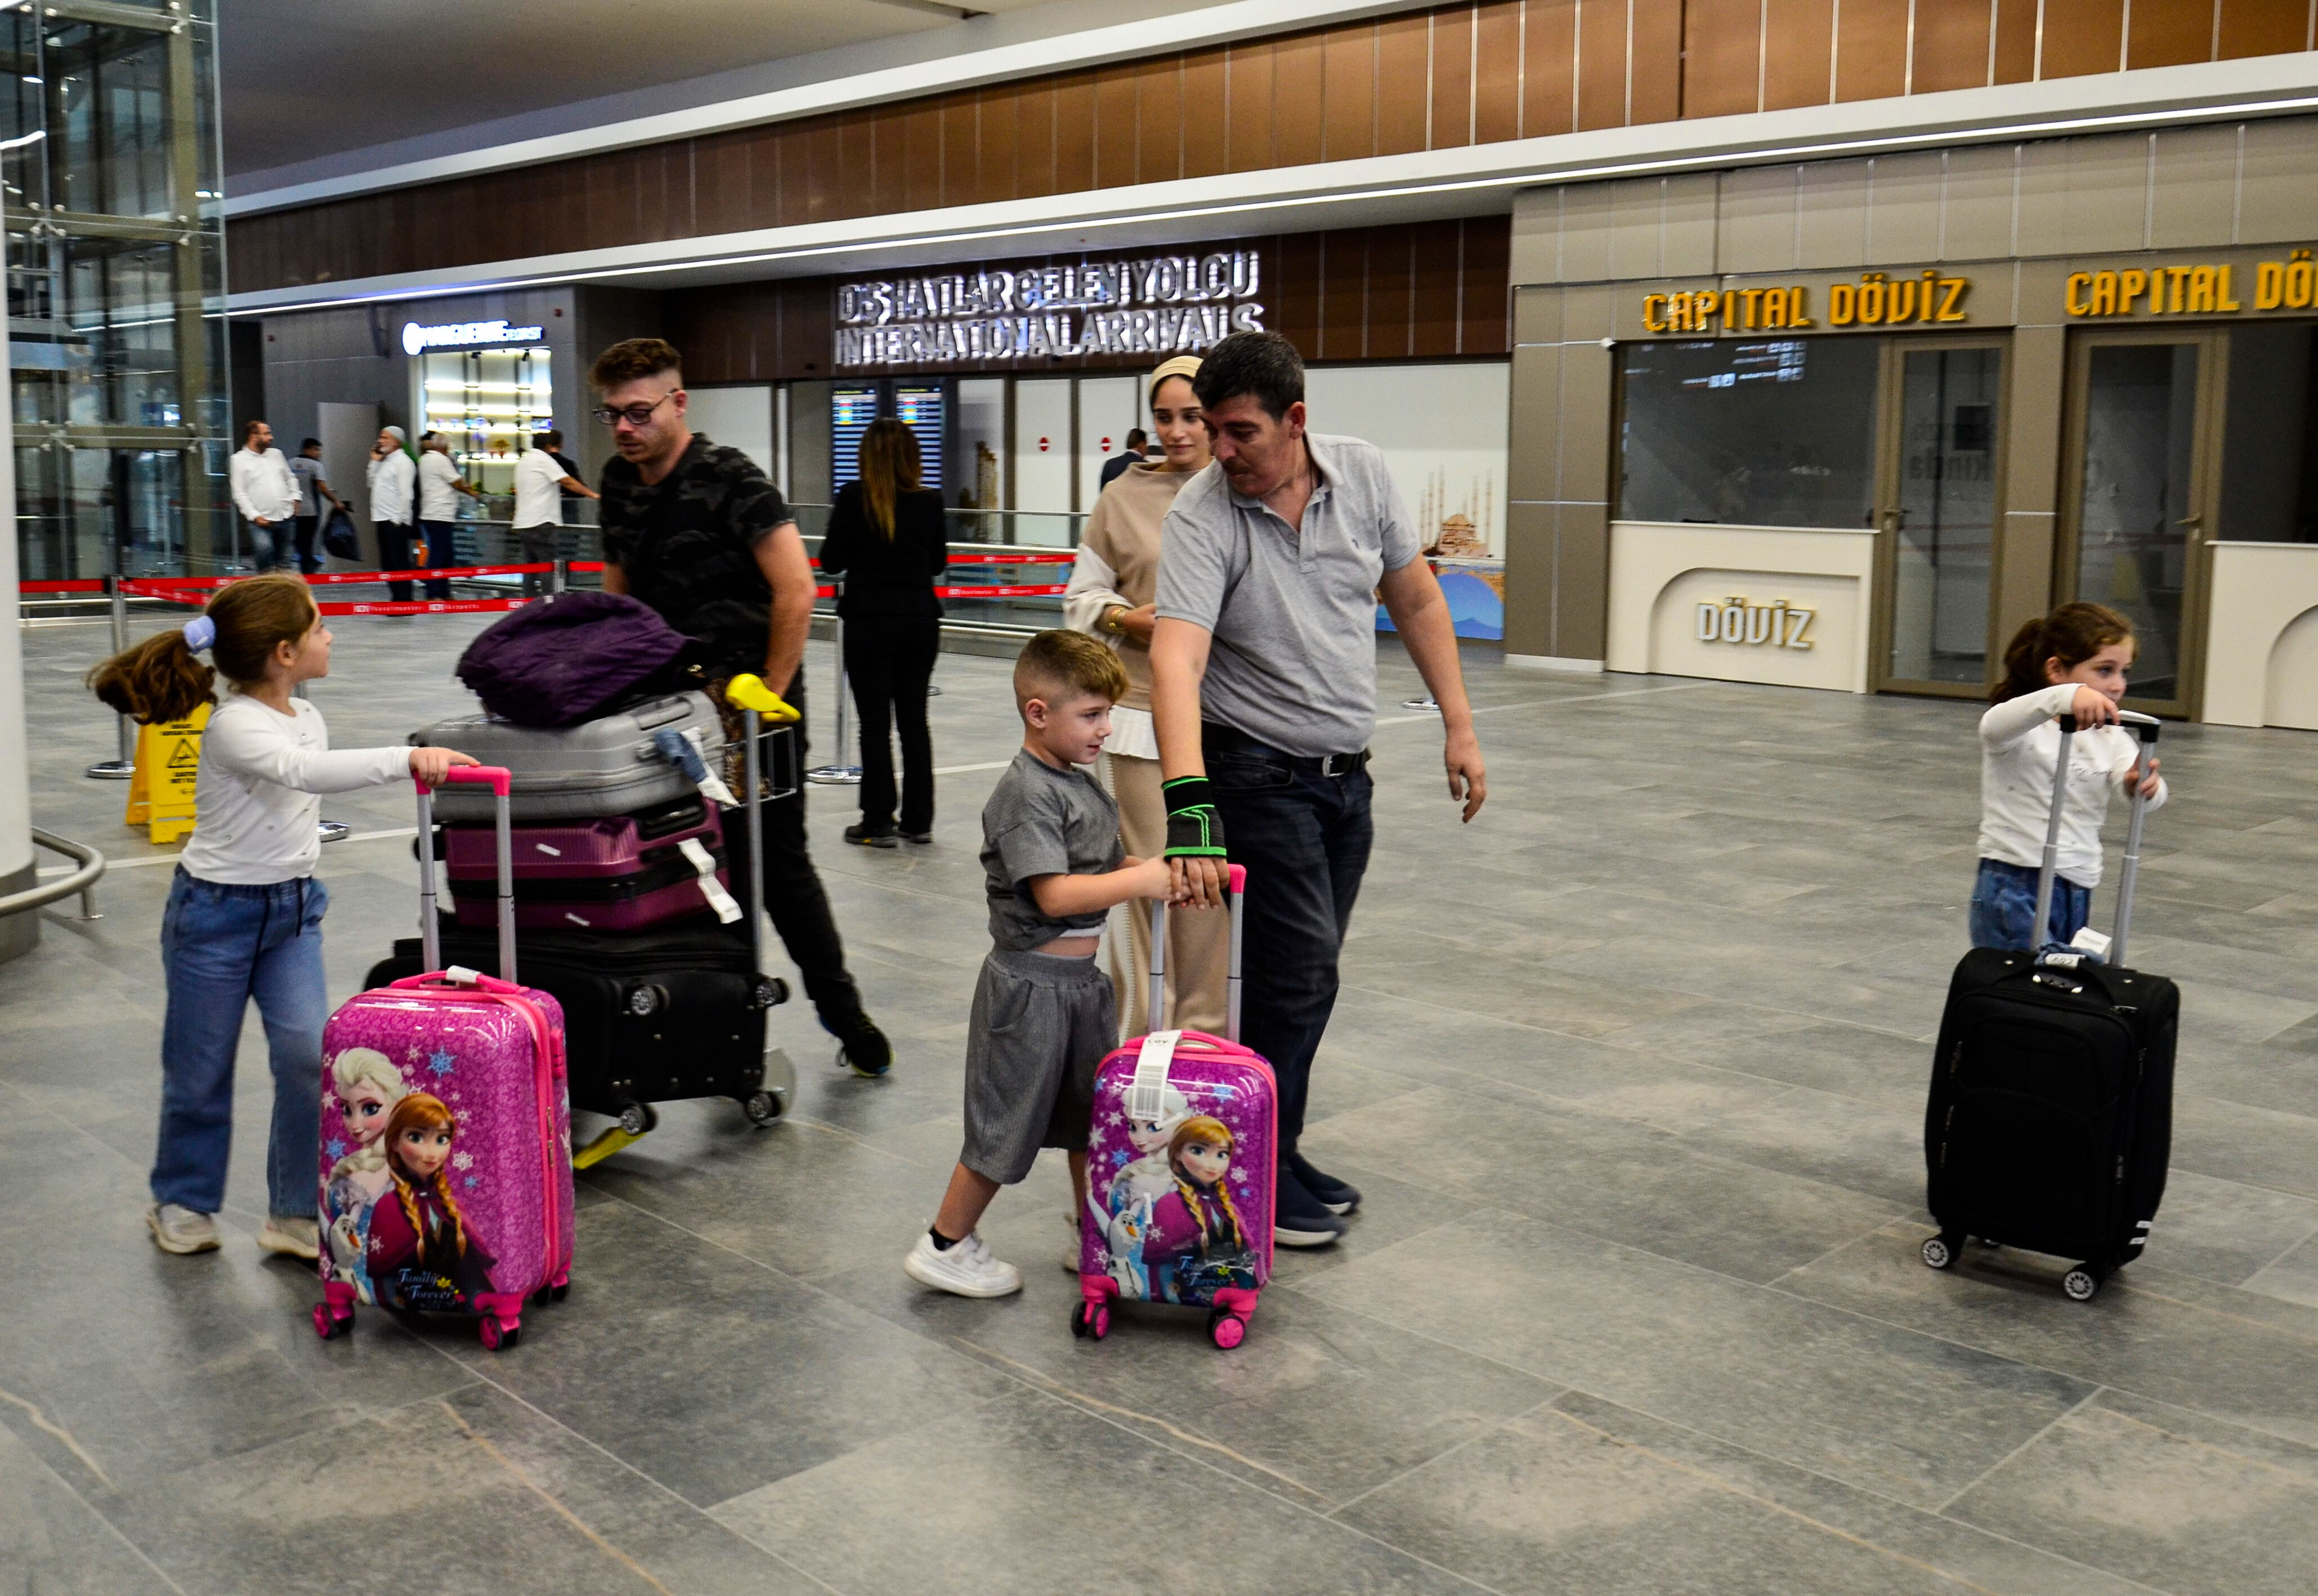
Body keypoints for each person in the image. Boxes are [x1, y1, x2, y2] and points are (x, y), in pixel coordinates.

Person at [1151, 330, 1487, 1248]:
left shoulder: (1364, 476)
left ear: (1295, 421)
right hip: (1254, 772)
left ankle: (1273, 1148)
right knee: (1297, 979)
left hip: (1345, 781)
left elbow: (1414, 597)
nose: (1220, 450)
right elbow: (1174, 658)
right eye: (1210, 432)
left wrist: (1457, 723)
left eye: (1238, 431)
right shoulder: (1201, 512)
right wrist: (1187, 802)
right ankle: (1253, 1174)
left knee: (1299, 981)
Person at [84, 573, 478, 1259]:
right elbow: (304, 774)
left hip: (293, 912)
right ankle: (182, 1198)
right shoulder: (236, 724)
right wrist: (406, 758)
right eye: (320, 626)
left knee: (305, 1059)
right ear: (284, 653)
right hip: (215, 915)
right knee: (199, 1068)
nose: (331, 634)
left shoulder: (304, 714)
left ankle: (292, 1211)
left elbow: (308, 765)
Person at [590, 337, 892, 1078]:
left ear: (677, 402)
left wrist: (767, 693)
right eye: (612, 416)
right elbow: (618, 588)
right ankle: (714, 1025)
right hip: (665, 712)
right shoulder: (618, 482)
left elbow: (796, 589)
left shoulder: (732, 478)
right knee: (684, 862)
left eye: (639, 413)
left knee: (774, 866)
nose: (626, 429)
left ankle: (841, 1010)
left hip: (753, 706)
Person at [901, 630, 1175, 1298]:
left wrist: (1153, 870)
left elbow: (1100, 868)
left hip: (1079, 986)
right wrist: (1141, 883)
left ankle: (1099, 1234)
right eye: (1090, 715)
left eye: (1108, 713)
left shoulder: (1078, 785)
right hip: (1029, 989)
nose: (1105, 729)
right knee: (1007, 1125)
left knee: (1091, 1116)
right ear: (1037, 713)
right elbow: (1055, 893)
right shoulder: (1026, 794)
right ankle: (945, 1243)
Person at [1065, 355, 1229, 1038]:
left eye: (1191, 415)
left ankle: (1211, 1039)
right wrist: (1122, 619)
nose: (1177, 430)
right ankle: (1148, 1044)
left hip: (1236, 721)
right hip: (1140, 718)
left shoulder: (1241, 488)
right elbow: (1080, 596)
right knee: (1156, 880)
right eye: (1164, 416)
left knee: (1219, 886)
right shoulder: (1122, 497)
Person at [1972, 602, 2167, 951]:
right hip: (2015, 880)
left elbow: (2136, 783)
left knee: (2059, 988)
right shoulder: (2024, 728)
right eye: (2105, 671)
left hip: (2076, 885)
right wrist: (2067, 696)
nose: (2118, 685)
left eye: (2124, 672)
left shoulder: (2111, 737)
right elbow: (1994, 725)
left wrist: (2143, 787)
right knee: (2021, 986)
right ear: (2057, 670)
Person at [818, 416, 947, 848]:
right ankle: (919, 820)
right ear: (913, 457)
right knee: (915, 722)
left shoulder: (854, 497)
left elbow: (831, 560)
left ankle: (877, 819)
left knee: (874, 724)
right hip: (919, 621)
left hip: (868, 619)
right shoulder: (930, 501)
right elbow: (937, 564)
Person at [513, 428, 599, 597]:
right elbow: (566, 481)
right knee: (547, 564)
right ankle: (549, 602)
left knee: (530, 566)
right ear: (548, 446)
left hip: (523, 523)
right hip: (541, 521)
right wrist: (591, 494)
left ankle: (528, 602)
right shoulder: (544, 460)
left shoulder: (524, 461)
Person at [415, 432, 480, 601]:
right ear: (445, 447)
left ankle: (442, 592)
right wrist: (471, 492)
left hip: (430, 513)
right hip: (440, 514)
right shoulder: (441, 460)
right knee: (439, 555)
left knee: (444, 554)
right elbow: (456, 482)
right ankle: (435, 593)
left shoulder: (424, 460)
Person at [229, 419, 300, 572]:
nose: (271, 437)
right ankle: (265, 587)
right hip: (261, 521)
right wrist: (255, 516)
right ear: (253, 436)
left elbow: (290, 478)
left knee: (285, 562)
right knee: (264, 551)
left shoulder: (276, 455)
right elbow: (239, 493)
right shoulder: (238, 460)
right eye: (267, 433)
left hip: (286, 517)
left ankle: (283, 592)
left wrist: (296, 498)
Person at [367, 427, 420, 601]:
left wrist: (397, 520)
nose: (380, 440)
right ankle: (396, 597)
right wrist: (374, 461)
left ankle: (404, 600)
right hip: (381, 518)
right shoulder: (385, 461)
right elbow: (371, 482)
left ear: (396, 442)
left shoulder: (404, 463)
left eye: (384, 437)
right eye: (380, 436)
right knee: (388, 563)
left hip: (395, 520)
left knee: (399, 562)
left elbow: (407, 495)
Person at [288, 438, 346, 576]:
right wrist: (336, 502)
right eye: (316, 450)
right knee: (307, 541)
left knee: (298, 540)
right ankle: (309, 566)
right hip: (310, 510)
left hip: (292, 510)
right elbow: (323, 488)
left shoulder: (290, 464)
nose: (319, 453)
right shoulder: (315, 466)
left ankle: (306, 565)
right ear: (306, 450)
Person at [1095, 428, 1149, 492]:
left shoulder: (1109, 465)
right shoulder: (1147, 466)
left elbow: (1103, 493)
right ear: (1142, 445)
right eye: (1146, 445)